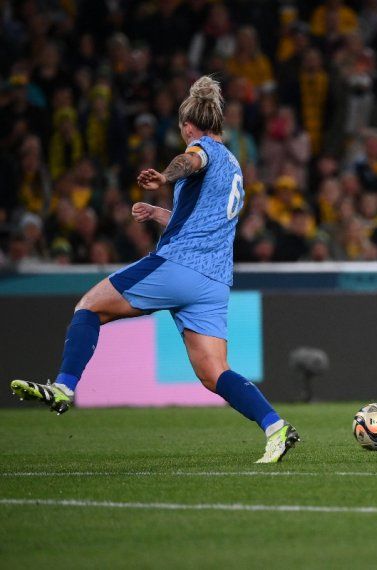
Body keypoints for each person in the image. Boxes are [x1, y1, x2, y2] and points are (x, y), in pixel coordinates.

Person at [10, 77, 300, 464]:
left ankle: (64, 387)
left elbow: (189, 161)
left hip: (180, 266)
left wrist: (165, 177)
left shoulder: (202, 149)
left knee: (89, 307)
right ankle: (275, 427)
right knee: (214, 372)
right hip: (213, 281)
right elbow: (200, 220)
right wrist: (159, 213)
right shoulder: (234, 164)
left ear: (187, 126)